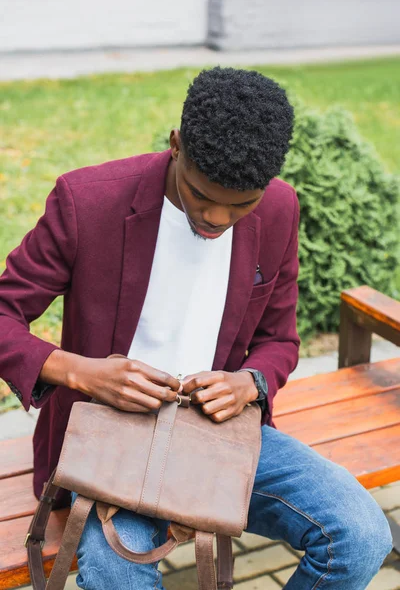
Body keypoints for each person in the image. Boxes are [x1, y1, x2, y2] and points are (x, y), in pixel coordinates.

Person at [0, 67, 392, 589]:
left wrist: (247, 383)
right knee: (117, 575)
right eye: (201, 195)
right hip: (110, 436)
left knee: (361, 536)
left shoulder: (278, 209)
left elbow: (280, 340)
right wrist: (83, 374)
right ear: (177, 145)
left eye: (240, 204)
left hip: (218, 434)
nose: (217, 218)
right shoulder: (87, 202)